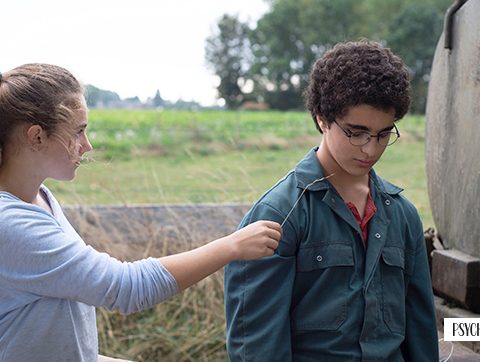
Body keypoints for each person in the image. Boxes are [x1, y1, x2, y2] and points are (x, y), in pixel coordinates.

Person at [0, 63, 282, 362]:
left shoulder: (40, 198)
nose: (87, 145)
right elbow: (127, 288)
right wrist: (232, 246)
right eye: (78, 132)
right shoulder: (12, 224)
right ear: (37, 136)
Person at [224, 40, 439, 361]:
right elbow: (256, 346)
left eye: (383, 134)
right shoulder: (279, 215)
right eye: (356, 132)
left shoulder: (404, 216)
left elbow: (421, 331)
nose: (370, 149)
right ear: (322, 118)